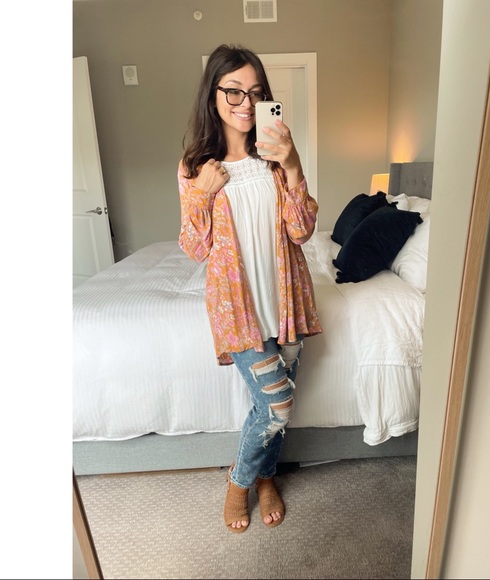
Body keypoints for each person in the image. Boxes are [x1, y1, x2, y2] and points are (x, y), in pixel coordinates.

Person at [177, 44, 323, 533]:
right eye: (234, 91)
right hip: (239, 310)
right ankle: (239, 482)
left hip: (285, 303)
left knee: (273, 407)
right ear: (213, 94)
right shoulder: (195, 166)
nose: (246, 102)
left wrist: (294, 164)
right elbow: (194, 247)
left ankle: (266, 478)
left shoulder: (275, 158)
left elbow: (301, 231)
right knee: (278, 404)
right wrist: (203, 193)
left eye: (256, 93)